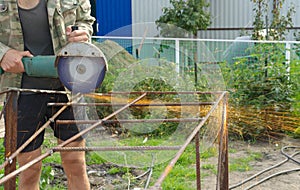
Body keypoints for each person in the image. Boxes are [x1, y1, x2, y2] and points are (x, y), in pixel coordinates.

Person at [0, 0, 95, 189]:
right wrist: (3, 53)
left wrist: (83, 33)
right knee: (29, 169)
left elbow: (86, 21)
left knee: (76, 164)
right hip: (22, 92)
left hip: (68, 88)